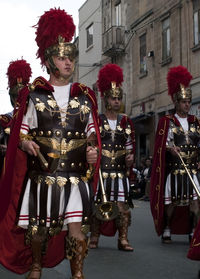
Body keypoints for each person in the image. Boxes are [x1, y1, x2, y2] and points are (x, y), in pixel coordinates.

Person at [0, 8, 101, 279]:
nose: (68, 62)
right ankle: (35, 265)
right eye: (61, 57)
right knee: (39, 228)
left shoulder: (84, 97)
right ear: (49, 60)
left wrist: (92, 150)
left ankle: (77, 271)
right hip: (43, 176)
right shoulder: (34, 95)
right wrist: (26, 145)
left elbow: (92, 133)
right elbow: (21, 133)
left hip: (75, 177)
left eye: (71, 57)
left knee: (76, 229)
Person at [150, 65, 200, 244]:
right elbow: (160, 146)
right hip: (176, 169)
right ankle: (167, 227)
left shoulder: (195, 122)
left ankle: (193, 230)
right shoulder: (167, 122)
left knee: (195, 200)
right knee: (172, 202)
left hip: (192, 169)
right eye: (184, 102)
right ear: (176, 102)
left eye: (189, 101)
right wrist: (169, 149)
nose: (187, 104)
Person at [89, 63, 135, 251]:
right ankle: (94, 236)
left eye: (118, 98)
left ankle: (123, 238)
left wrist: (130, 158)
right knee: (98, 205)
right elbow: (90, 142)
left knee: (122, 206)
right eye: (113, 98)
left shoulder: (126, 122)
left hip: (119, 172)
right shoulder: (97, 120)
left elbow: (129, 146)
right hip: (101, 171)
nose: (116, 101)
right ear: (106, 99)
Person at [0, 59, 32, 172]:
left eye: (22, 97)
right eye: (16, 97)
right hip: (10, 166)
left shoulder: (35, 118)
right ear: (12, 98)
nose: (18, 100)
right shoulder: (4, 121)